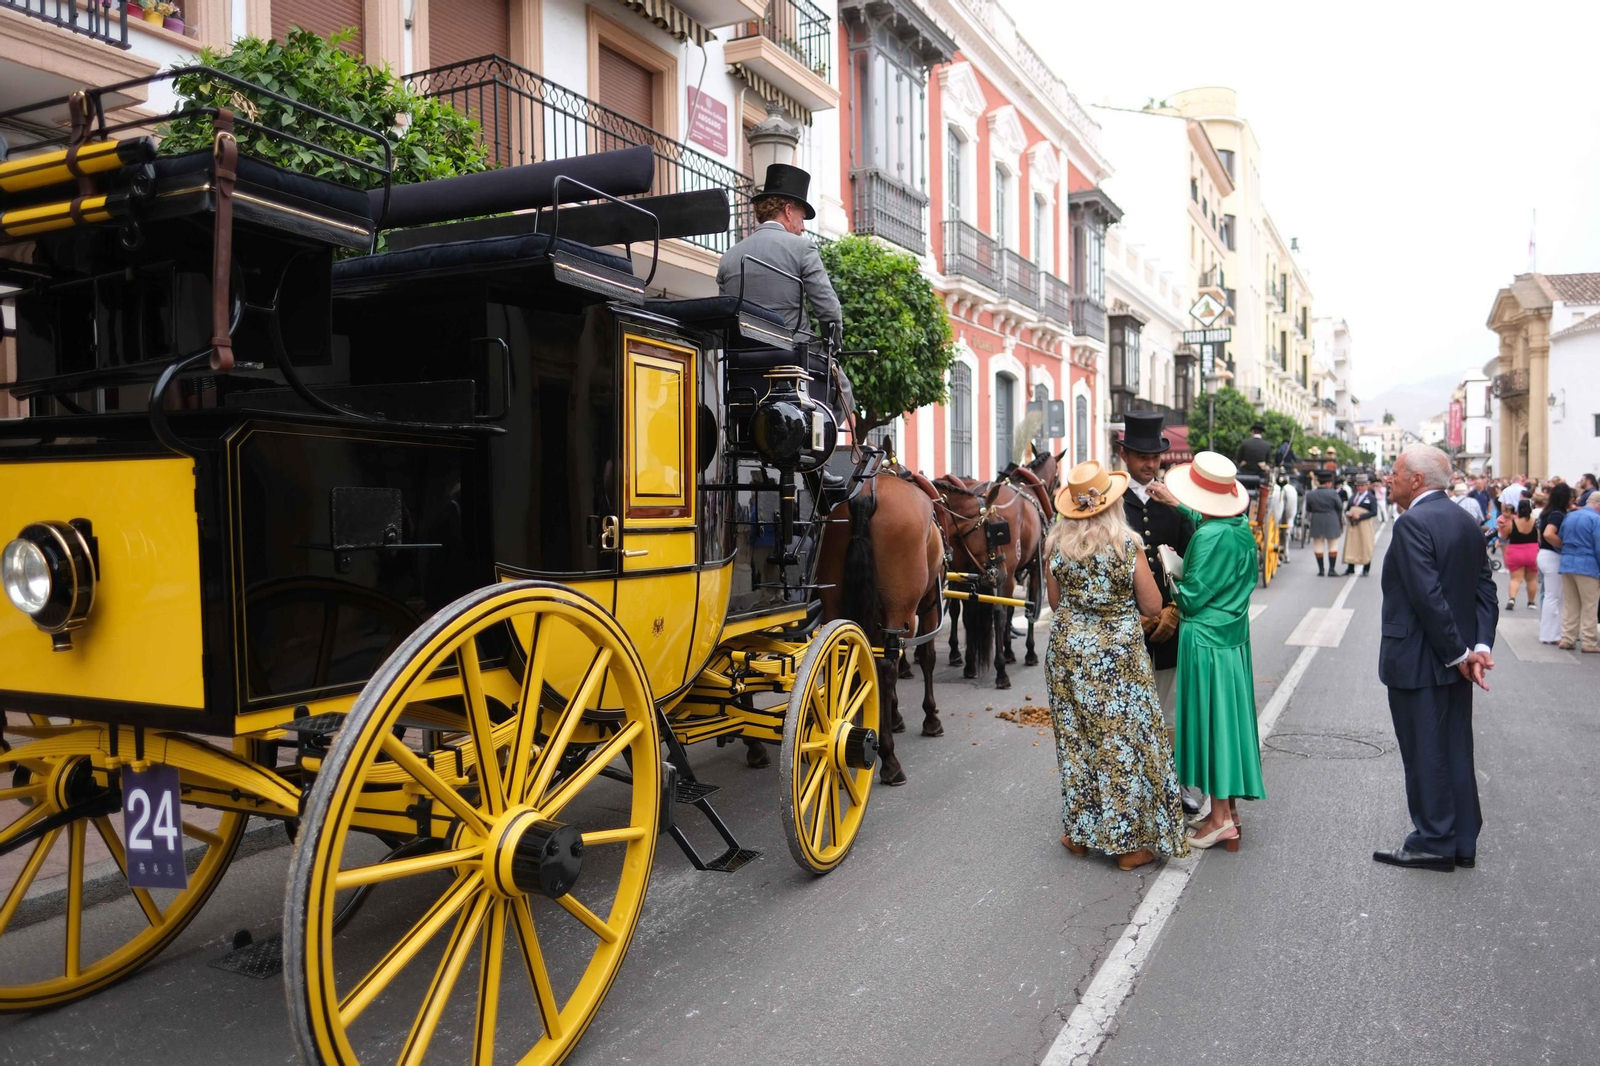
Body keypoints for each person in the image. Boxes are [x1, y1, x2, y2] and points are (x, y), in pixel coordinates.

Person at [1043, 461, 1189, 871]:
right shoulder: (1127, 545)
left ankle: (1078, 831)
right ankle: (1127, 846)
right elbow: (1152, 606)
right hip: (1117, 659)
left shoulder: (1056, 544)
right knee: (1122, 746)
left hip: (1068, 656)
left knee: (1076, 742)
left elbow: (1056, 605)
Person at [1375, 444, 1496, 872]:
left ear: (1417, 481)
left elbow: (1428, 597)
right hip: (1455, 660)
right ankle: (1462, 839)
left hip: (1419, 659)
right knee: (1455, 748)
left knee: (1425, 751)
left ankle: (1432, 840)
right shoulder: (1467, 521)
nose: (1389, 479)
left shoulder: (1412, 524)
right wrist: (1479, 647)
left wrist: (1460, 653)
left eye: (1395, 473)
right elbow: (1485, 591)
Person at [1162, 452, 1264, 851]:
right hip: (1234, 635)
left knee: (1211, 725)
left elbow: (1190, 598)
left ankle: (1220, 820)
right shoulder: (1241, 529)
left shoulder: (1207, 536)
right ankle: (1230, 811)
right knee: (1230, 722)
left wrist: (1170, 570)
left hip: (1204, 639)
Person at [1113, 412, 1194, 734]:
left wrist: (1176, 608)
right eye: (1142, 457)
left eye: (1155, 457)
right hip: (1125, 625)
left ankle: (1169, 781)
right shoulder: (1112, 501)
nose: (1150, 464)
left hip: (1169, 627)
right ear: (1124, 455)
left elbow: (1193, 557)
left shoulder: (1177, 500)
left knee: (1168, 712)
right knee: (1127, 712)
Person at [717, 164, 840, 333]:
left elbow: (725, 314)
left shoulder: (728, 257)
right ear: (788, 211)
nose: (803, 227)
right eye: (802, 218)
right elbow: (829, 309)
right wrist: (832, 348)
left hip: (741, 354)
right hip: (792, 352)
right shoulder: (802, 248)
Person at [1556, 492, 1600, 652]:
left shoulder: (1570, 516)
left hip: (1567, 562)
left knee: (1570, 603)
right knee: (1589, 604)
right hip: (1588, 565)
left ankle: (1567, 638)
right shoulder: (1596, 520)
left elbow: (1560, 538)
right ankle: (1589, 641)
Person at [1537, 482, 1573, 644]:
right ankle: (1550, 635)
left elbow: (1541, 535)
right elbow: (1548, 534)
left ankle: (1548, 633)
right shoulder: (1558, 514)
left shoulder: (1546, 512)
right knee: (1554, 597)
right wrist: (1562, 544)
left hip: (1543, 554)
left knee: (1550, 596)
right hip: (1552, 556)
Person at [1304, 470, 1345, 576]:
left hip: (1317, 520)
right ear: (1328, 483)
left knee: (1318, 546)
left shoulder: (1311, 495)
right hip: (1331, 519)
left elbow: (1309, 509)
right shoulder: (1333, 494)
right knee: (1333, 546)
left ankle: (1321, 569)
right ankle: (1331, 569)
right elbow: (1339, 507)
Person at [1503, 498, 1539, 611]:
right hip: (1532, 551)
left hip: (1515, 551)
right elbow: (1539, 537)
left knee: (1515, 579)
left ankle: (1512, 599)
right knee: (1532, 579)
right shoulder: (1535, 522)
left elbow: (1504, 537)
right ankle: (1531, 602)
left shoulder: (1511, 523)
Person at [1342, 474, 1378, 575]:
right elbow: (1347, 508)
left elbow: (1374, 512)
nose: (1360, 488)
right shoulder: (1353, 497)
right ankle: (1350, 567)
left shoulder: (1371, 498)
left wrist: (1361, 516)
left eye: (1362, 486)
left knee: (1366, 544)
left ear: (1366, 486)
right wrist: (1348, 513)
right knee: (1351, 545)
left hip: (1365, 524)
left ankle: (1366, 568)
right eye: (1358, 486)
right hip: (1353, 524)